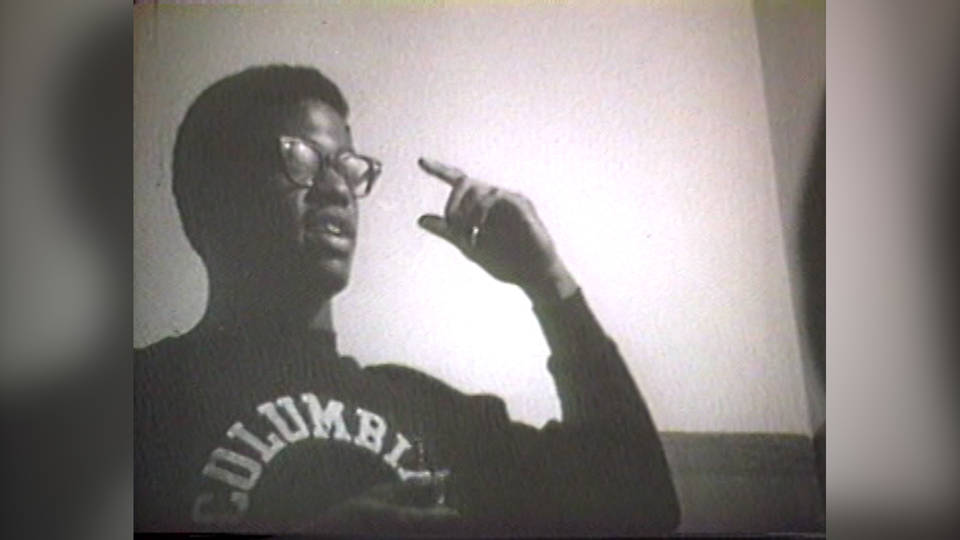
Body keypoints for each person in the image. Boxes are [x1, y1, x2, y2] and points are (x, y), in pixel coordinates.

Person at [134, 64, 680, 535]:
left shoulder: (425, 410)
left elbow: (639, 502)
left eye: (348, 166)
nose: (338, 189)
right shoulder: (144, 399)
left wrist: (547, 282)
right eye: (300, 159)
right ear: (210, 198)